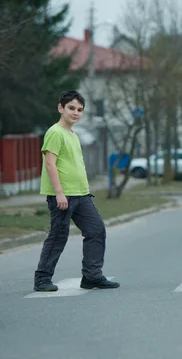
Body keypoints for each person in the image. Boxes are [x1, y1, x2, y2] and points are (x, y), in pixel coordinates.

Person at [34, 90, 120, 292]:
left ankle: (92, 276)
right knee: (58, 236)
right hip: (63, 195)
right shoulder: (55, 132)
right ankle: (42, 279)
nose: (75, 113)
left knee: (96, 230)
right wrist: (59, 193)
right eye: (71, 108)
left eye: (79, 110)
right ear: (60, 108)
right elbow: (50, 164)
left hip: (81, 195)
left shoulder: (72, 134)